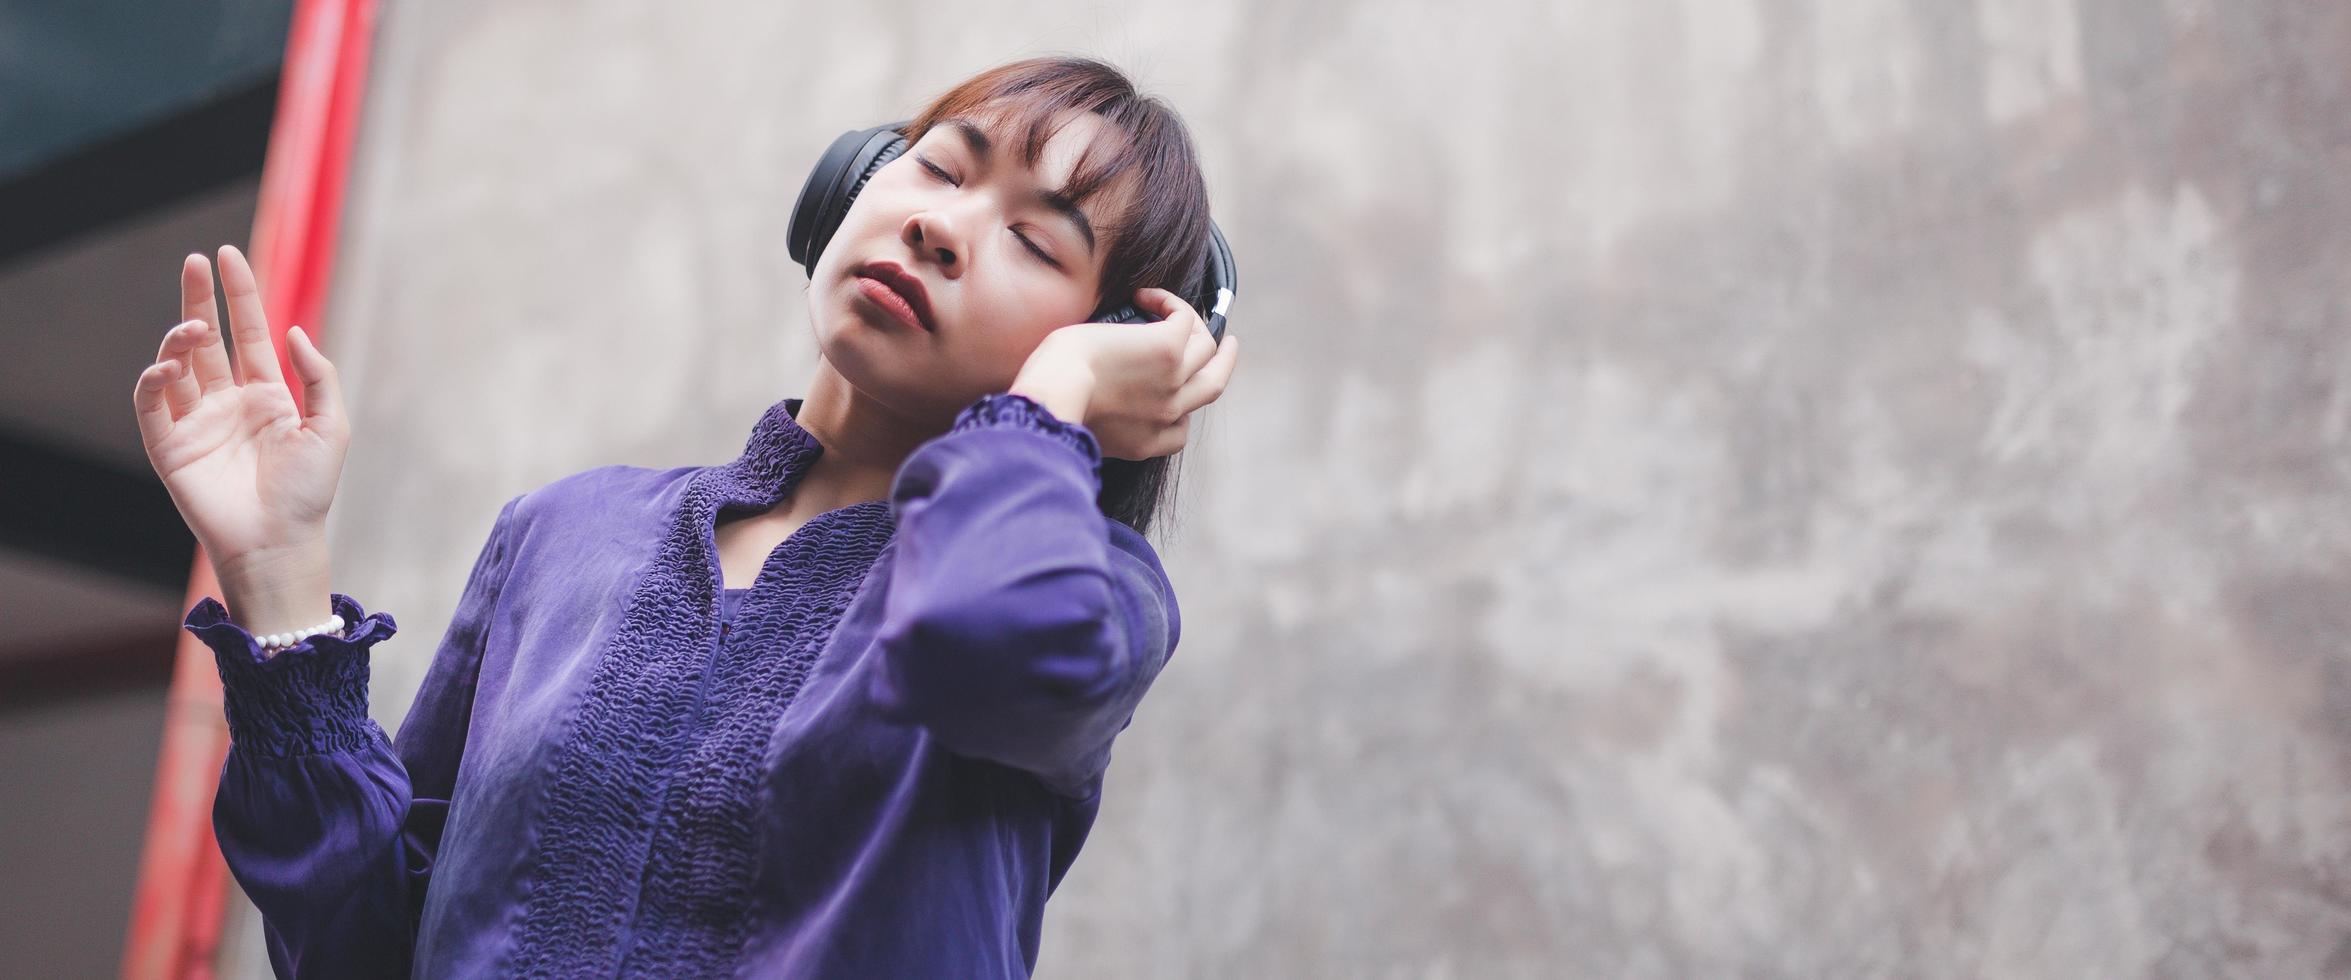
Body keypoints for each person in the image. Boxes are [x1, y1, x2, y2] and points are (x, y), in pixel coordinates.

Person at [129, 55, 1240, 978]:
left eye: (1037, 242)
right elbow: (361, 950)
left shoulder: (1087, 591)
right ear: (845, 186)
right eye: (940, 169)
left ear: (1111, 341)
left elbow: (978, 641)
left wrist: (1048, 409)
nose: (943, 229)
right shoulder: (565, 534)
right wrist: (278, 572)